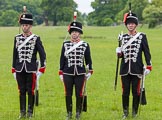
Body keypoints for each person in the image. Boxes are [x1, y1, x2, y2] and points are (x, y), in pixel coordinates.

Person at [116, 12, 152, 119]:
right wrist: (119, 52)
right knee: (125, 91)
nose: (130, 25)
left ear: (136, 25)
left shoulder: (142, 36)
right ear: (126, 25)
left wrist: (149, 65)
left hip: (137, 69)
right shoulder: (122, 37)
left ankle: (135, 112)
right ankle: (125, 112)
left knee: (136, 91)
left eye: (132, 23)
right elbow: (121, 55)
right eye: (128, 23)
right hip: (125, 69)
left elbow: (146, 52)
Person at [11, 13, 46, 119]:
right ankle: (22, 112)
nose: (24, 27)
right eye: (23, 25)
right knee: (21, 90)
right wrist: (13, 68)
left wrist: (42, 68)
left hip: (31, 68)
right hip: (19, 68)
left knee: (30, 90)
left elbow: (42, 54)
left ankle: (30, 112)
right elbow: (15, 54)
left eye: (26, 25)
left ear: (30, 26)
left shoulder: (36, 38)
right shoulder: (17, 38)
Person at [58, 21, 93, 120]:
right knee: (68, 93)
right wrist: (61, 72)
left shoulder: (85, 45)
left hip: (80, 73)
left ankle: (78, 113)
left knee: (79, 93)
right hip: (67, 72)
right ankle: (69, 113)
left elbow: (88, 59)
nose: (74, 33)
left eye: (76, 31)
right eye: (72, 31)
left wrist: (90, 71)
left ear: (80, 33)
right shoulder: (65, 44)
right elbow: (62, 59)